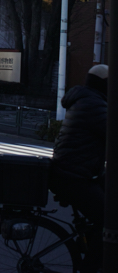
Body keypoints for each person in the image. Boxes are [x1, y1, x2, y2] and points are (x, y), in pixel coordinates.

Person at [50, 64, 107, 272]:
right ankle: (89, 268)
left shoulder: (85, 99)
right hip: (74, 177)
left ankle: (88, 242)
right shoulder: (94, 105)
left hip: (72, 172)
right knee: (108, 220)